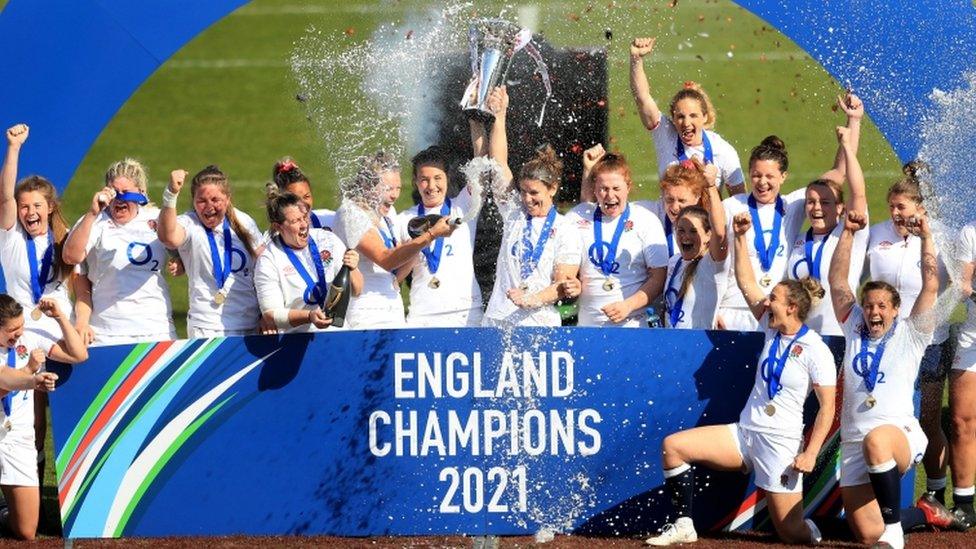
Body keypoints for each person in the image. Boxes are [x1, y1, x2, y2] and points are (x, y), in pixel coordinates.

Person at [646, 212, 836, 545]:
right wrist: (740, 237)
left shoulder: (815, 349)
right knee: (673, 447)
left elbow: (827, 408)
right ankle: (684, 525)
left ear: (792, 307)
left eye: (774, 298)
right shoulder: (770, 327)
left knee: (791, 533)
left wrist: (810, 454)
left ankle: (814, 533)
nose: (766, 301)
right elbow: (747, 283)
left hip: (780, 444)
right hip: (745, 434)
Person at [828, 209, 960, 548]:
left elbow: (931, 285)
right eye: (869, 305)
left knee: (878, 442)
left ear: (896, 309)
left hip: (897, 434)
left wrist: (927, 237)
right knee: (869, 533)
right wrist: (846, 232)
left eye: (883, 306)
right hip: (854, 443)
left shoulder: (912, 333)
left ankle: (894, 532)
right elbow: (838, 282)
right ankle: (925, 512)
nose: (874, 312)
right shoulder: (853, 325)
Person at [864, 163, 952, 507]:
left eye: (903, 207)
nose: (896, 214)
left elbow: (950, 286)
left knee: (927, 417)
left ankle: (935, 490)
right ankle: (884, 490)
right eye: (892, 208)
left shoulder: (940, 236)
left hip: (929, 342)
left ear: (920, 208)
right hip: (883, 342)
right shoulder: (877, 234)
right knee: (886, 414)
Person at [473, 86, 581, 327]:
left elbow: (563, 284)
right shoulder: (514, 213)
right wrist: (500, 116)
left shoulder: (567, 229)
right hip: (497, 319)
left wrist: (531, 299)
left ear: (552, 189)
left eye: (534, 193)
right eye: (523, 192)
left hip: (540, 323)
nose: (527, 199)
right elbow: (499, 163)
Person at [62, 159, 177, 344]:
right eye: (114, 192)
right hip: (107, 333)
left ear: (141, 193)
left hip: (157, 329)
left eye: (126, 193)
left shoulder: (156, 218)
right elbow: (70, 257)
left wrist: (178, 263)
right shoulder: (95, 221)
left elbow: (182, 250)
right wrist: (92, 213)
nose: (119, 199)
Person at [0, 294, 84, 540]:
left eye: (21, 326)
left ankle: (4, 512)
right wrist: (30, 376)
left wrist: (60, 318)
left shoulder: (30, 337)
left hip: (17, 438)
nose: (18, 333)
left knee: (26, 531)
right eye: (11, 330)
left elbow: (79, 355)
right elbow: (4, 379)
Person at [786, 103, 869, 336]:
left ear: (841, 208)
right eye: (811, 201)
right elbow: (836, 171)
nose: (817, 207)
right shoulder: (798, 240)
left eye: (825, 202)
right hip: (799, 338)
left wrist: (851, 131)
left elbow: (857, 190)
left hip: (840, 336)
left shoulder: (851, 232)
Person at [629, 37, 745, 197]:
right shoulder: (665, 133)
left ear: (705, 117)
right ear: (673, 118)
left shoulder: (723, 151)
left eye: (693, 116)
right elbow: (642, 98)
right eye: (681, 117)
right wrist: (636, 58)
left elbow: (739, 202)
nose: (686, 123)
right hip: (669, 222)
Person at [156, 166, 263, 337]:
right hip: (206, 327)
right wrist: (171, 194)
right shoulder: (190, 223)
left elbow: (262, 264)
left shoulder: (244, 221)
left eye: (215, 199)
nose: (209, 207)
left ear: (227, 199)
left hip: (249, 325)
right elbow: (168, 237)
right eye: (201, 201)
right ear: (193, 201)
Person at [563, 152, 668, 327]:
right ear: (594, 189)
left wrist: (628, 306)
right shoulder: (576, 217)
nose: (610, 196)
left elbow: (659, 277)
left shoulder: (646, 220)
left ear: (628, 187)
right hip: (588, 328)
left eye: (616, 189)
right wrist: (570, 282)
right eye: (603, 189)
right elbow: (565, 268)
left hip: (633, 325)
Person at [718, 136, 807, 332]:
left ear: (783, 176)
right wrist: (712, 309)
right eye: (756, 175)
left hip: (775, 312)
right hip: (731, 310)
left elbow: (835, 178)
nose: (762, 182)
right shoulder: (731, 206)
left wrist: (852, 123)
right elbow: (711, 259)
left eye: (770, 176)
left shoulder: (793, 206)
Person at [253, 187, 362, 333]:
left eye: (305, 217)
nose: (304, 225)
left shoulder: (328, 239)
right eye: (295, 221)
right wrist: (309, 316)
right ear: (278, 226)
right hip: (296, 343)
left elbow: (357, 290)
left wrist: (352, 268)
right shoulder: (269, 259)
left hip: (337, 336)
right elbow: (271, 315)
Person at [397, 146, 483, 327]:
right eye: (424, 180)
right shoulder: (403, 220)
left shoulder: (462, 206)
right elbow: (395, 275)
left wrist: (476, 124)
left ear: (447, 178)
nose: (431, 186)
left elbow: (480, 165)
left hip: (466, 312)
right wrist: (413, 249)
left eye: (438, 178)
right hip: (422, 314)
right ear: (415, 182)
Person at [343, 151, 411, 330]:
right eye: (388, 188)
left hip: (393, 310)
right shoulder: (351, 213)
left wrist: (396, 281)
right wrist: (429, 237)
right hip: (366, 314)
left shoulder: (390, 213)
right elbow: (385, 259)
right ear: (367, 185)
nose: (395, 195)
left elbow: (405, 257)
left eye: (398, 188)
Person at [661, 160, 727, 329]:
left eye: (693, 231)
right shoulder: (674, 261)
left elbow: (720, 233)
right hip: (672, 346)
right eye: (681, 230)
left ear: (707, 236)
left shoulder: (712, 264)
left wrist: (711, 186)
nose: (686, 237)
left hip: (699, 349)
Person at [949, 219, 976, 527]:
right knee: (960, 419)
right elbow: (963, 282)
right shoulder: (970, 231)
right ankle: (964, 502)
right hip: (973, 335)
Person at [270, 156, 335, 230]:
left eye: (306, 196)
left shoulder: (330, 219)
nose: (303, 204)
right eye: (295, 200)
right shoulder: (273, 238)